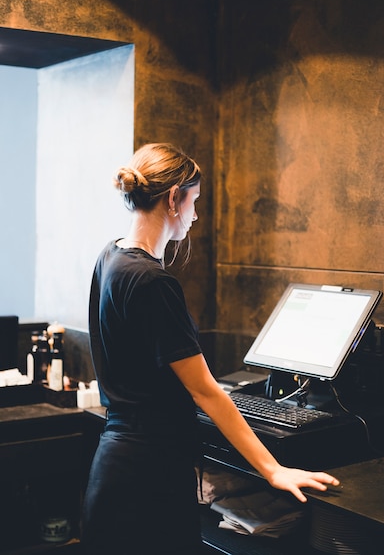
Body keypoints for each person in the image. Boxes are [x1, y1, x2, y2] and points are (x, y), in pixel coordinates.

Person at [81, 142, 339, 555]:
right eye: (194, 201)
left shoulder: (110, 255)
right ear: (173, 199)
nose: (196, 215)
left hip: (115, 464)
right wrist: (274, 470)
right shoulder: (154, 282)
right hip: (149, 474)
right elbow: (205, 391)